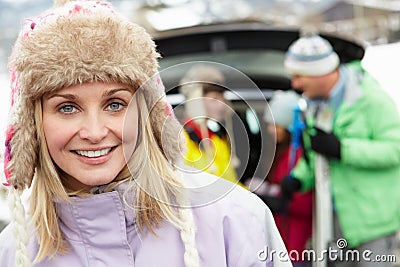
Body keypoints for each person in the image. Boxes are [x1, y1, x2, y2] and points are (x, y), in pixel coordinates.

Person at [0, 1, 291, 267]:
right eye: (67, 108)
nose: (95, 132)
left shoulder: (235, 221)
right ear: (32, 127)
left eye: (115, 104)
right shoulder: (14, 252)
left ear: (147, 113)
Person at [281, 34, 400, 266]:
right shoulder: (315, 106)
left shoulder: (370, 98)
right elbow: (317, 154)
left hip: (373, 223)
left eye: (298, 76)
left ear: (319, 71)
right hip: (333, 220)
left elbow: (395, 149)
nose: (294, 85)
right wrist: (298, 179)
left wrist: (343, 149)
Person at [251, 90, 313, 267]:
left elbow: (304, 204)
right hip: (283, 237)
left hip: (297, 242)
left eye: (275, 125)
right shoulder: (283, 153)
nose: (270, 129)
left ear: (288, 125)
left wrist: (268, 199)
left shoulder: (300, 156)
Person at [179, 64, 241, 184]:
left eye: (222, 98)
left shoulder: (218, 139)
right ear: (196, 100)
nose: (222, 105)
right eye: (215, 98)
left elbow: (231, 183)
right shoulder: (180, 140)